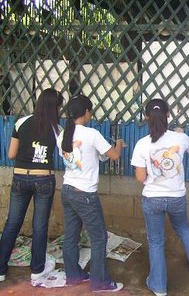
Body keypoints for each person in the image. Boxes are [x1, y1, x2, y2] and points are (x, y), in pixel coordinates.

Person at [131, 99, 189, 296]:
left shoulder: (142, 144)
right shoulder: (180, 138)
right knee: (183, 228)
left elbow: (140, 178)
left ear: (146, 118)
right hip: (177, 197)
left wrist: (154, 175)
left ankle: (158, 286)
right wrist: (181, 134)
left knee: (156, 241)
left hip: (152, 199)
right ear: (168, 115)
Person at [57, 94, 125, 292]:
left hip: (67, 190)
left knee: (71, 236)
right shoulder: (91, 134)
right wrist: (119, 144)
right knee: (99, 238)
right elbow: (114, 156)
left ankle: (74, 275)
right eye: (90, 111)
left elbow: (84, 156)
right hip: (85, 194)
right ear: (86, 113)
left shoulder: (64, 134)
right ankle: (100, 282)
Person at [0, 88, 63, 282]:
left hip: (20, 177)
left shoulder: (21, 122)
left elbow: (11, 154)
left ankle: (0, 270)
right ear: (55, 107)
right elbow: (66, 155)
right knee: (40, 224)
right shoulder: (57, 129)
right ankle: (37, 270)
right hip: (43, 179)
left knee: (12, 223)